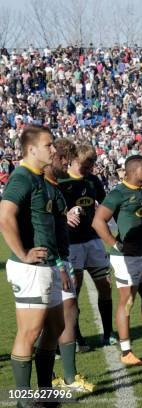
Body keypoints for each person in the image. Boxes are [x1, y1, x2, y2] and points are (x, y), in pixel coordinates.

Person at [0, 126, 67, 407]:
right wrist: (23, 253)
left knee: (56, 327)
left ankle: (45, 391)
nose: (54, 150)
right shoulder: (22, 178)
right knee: (30, 331)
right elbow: (5, 216)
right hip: (31, 268)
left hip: (48, 265)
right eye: (49, 145)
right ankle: (23, 399)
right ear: (31, 150)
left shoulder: (42, 180)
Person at [92, 155, 142, 366]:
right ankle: (126, 351)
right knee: (127, 301)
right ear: (136, 170)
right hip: (126, 257)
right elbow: (98, 221)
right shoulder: (118, 193)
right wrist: (114, 243)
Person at [44, 147, 96, 392]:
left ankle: (68, 377)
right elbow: (38, 228)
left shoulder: (55, 187)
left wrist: (67, 213)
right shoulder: (36, 185)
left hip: (62, 258)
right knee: (37, 324)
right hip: (46, 262)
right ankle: (47, 379)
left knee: (67, 313)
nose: (66, 163)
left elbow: (54, 220)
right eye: (62, 158)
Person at [57, 143, 114, 349]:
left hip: (93, 240)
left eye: (92, 162)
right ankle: (77, 335)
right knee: (75, 291)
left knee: (105, 286)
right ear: (74, 159)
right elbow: (54, 211)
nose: (90, 165)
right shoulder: (61, 181)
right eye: (86, 161)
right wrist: (66, 214)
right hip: (71, 244)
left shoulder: (93, 180)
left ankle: (108, 333)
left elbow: (107, 204)